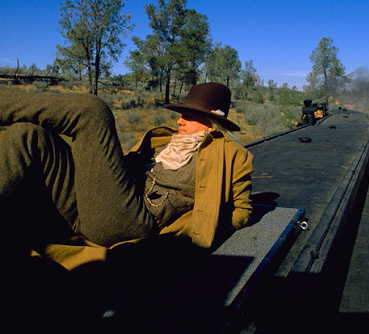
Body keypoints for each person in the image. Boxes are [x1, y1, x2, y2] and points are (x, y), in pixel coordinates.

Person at [0, 83, 253, 270]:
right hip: (101, 207)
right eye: (181, 114)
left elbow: (242, 212)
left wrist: (205, 220)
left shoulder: (230, 154)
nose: (179, 121)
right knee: (29, 135)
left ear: (211, 121)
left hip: (135, 222)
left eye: (188, 115)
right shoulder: (166, 142)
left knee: (92, 111)